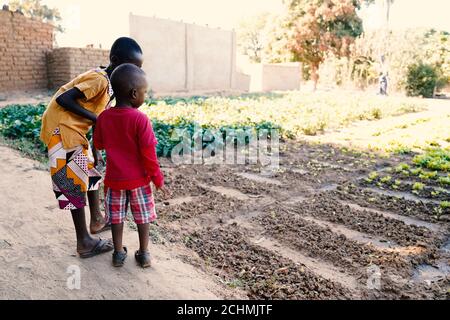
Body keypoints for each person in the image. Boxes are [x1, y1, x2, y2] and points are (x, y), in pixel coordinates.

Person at [39, 37, 144, 258]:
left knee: (91, 173)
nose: (133, 75)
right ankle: (84, 241)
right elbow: (64, 99)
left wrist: (95, 150)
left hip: (76, 131)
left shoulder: (112, 87)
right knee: (72, 182)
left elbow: (99, 118)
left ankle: (96, 220)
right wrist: (96, 119)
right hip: (62, 130)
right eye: (130, 67)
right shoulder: (99, 80)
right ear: (115, 60)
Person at [93, 63, 169, 268]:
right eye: (145, 92)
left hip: (114, 181)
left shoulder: (104, 117)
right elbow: (149, 156)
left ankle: (118, 253)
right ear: (134, 93)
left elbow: (98, 144)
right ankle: (144, 254)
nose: (145, 96)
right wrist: (158, 180)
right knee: (142, 218)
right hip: (140, 182)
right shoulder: (140, 119)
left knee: (116, 218)